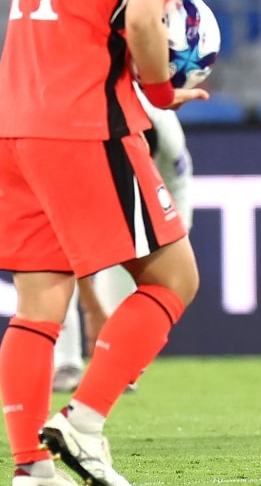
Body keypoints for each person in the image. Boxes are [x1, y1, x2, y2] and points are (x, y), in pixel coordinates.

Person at [0, 0, 206, 485]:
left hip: (11, 120)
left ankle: (29, 472)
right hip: (81, 122)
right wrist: (160, 89)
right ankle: (82, 425)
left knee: (38, 302)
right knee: (174, 277)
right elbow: (144, 15)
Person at [53, 91, 195, 394]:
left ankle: (115, 363)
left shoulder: (164, 132)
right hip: (77, 180)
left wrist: (175, 243)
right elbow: (66, 238)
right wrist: (92, 310)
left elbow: (180, 186)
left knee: (140, 277)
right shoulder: (84, 133)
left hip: (135, 197)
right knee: (49, 268)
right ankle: (64, 363)